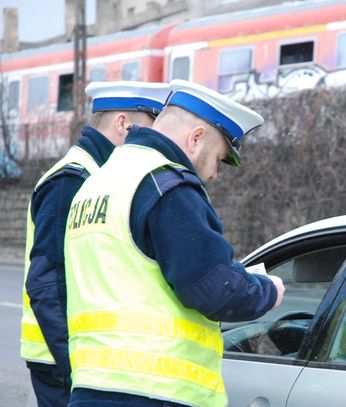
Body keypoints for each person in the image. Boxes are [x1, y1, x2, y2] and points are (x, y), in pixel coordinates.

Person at [64, 79, 285, 407]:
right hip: (155, 391)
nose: (213, 174)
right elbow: (214, 289)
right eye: (218, 158)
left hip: (91, 388)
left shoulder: (96, 184)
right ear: (196, 138)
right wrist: (268, 291)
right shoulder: (166, 185)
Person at [20, 81, 171, 407]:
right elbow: (47, 283)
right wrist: (76, 367)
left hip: (83, 361)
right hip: (64, 362)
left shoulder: (101, 176)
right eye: (148, 129)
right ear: (122, 124)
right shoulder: (72, 180)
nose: (154, 141)